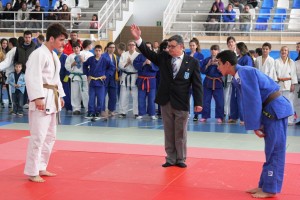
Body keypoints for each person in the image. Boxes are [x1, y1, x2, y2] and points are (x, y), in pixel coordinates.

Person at [217, 50, 293, 198]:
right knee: (270, 150)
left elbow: (253, 99)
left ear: (227, 63)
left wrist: (256, 125)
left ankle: (270, 189)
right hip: (269, 110)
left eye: (219, 64)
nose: (218, 67)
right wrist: (256, 123)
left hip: (275, 110)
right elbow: (247, 101)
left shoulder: (245, 72)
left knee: (275, 150)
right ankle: (264, 185)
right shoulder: (237, 77)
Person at [130, 24, 203, 168]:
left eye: (172, 46)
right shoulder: (163, 57)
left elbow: (197, 84)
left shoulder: (192, 62)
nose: (169, 49)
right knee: (168, 131)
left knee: (180, 132)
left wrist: (198, 102)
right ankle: (170, 158)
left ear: (181, 47)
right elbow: (148, 53)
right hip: (165, 100)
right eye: (168, 46)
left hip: (182, 101)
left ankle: (181, 158)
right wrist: (138, 39)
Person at [24, 23, 68, 183]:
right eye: (61, 40)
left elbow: (56, 80)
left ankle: (41, 166)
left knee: (50, 136)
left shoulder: (53, 55)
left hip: (52, 98)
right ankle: (32, 171)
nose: (64, 43)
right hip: (42, 98)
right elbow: (32, 76)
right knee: (38, 137)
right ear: (51, 38)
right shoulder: (38, 54)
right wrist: (37, 97)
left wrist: (61, 96)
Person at [83, 45, 115, 119]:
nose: (98, 52)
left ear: (102, 51)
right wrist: (87, 74)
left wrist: (106, 75)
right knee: (91, 98)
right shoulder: (90, 59)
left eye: (99, 51)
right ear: (94, 51)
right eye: (96, 50)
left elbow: (112, 67)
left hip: (101, 81)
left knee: (100, 98)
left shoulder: (105, 59)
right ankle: (91, 112)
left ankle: (99, 112)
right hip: (92, 81)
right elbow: (84, 65)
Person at [133, 42, 159, 120]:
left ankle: (152, 114)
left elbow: (158, 67)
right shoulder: (139, 56)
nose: (147, 49)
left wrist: (151, 63)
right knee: (141, 97)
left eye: (149, 47)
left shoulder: (155, 57)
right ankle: (141, 113)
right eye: (146, 47)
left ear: (151, 48)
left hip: (151, 80)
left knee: (152, 98)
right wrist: (144, 63)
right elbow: (135, 65)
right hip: (142, 80)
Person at [199, 45, 224, 123]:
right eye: (212, 49)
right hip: (208, 82)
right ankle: (205, 116)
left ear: (218, 51)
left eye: (215, 49)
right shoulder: (207, 60)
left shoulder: (221, 61)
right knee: (206, 100)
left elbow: (224, 72)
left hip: (218, 82)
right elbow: (202, 71)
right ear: (210, 51)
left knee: (219, 101)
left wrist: (218, 65)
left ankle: (220, 117)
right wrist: (208, 65)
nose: (213, 51)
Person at [274, 46, 298, 125]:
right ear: (280, 52)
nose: (284, 52)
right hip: (279, 83)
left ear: (288, 52)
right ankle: (280, 118)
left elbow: (293, 74)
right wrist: (276, 81)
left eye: (285, 50)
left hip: (288, 84)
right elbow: (274, 74)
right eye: (282, 50)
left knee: (289, 102)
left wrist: (293, 84)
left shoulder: (291, 62)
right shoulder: (276, 61)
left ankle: (290, 120)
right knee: (278, 102)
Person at [65, 42, 89, 115]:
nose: (76, 49)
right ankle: (76, 109)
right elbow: (67, 67)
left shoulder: (85, 55)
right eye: (74, 48)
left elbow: (89, 66)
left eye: (77, 48)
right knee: (75, 93)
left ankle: (88, 108)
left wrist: (83, 61)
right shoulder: (70, 56)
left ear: (80, 47)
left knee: (85, 93)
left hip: (83, 77)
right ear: (72, 49)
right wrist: (73, 64)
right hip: (74, 77)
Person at [118, 40, 139, 118]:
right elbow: (120, 65)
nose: (131, 46)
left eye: (133, 45)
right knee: (123, 95)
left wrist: (132, 62)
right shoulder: (124, 54)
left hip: (134, 76)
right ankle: (123, 112)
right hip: (125, 76)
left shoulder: (138, 55)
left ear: (135, 46)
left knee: (135, 96)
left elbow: (139, 66)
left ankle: (136, 112)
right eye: (129, 45)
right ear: (127, 46)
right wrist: (127, 63)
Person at [186, 38, 204, 121]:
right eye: (190, 45)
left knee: (196, 96)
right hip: (187, 77)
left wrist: (192, 59)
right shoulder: (186, 54)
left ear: (196, 46)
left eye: (193, 45)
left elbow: (200, 66)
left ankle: (196, 115)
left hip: (196, 78)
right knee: (186, 96)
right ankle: (187, 113)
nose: (192, 47)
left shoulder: (200, 55)